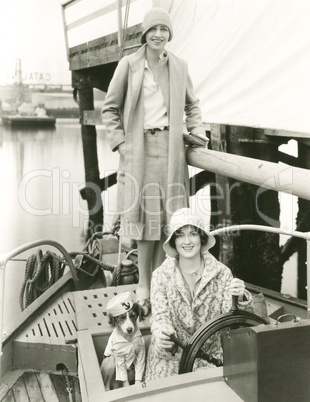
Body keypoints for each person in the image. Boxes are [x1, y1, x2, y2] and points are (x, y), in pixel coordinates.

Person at [101, 7, 208, 315]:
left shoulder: (179, 66)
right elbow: (109, 109)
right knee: (146, 221)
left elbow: (193, 105)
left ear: (169, 34)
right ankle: (144, 286)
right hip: (139, 150)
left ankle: (161, 286)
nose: (159, 34)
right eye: (153, 30)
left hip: (171, 150)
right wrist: (121, 144)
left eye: (164, 30)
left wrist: (197, 131)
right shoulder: (128, 65)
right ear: (145, 35)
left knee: (169, 220)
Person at [145, 208, 254, 380]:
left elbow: (236, 323)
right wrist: (162, 334)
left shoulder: (222, 273)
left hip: (210, 359)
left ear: (201, 237)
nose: (187, 241)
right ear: (173, 240)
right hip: (169, 359)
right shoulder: (160, 275)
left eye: (193, 234)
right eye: (180, 235)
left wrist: (240, 298)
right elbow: (160, 317)